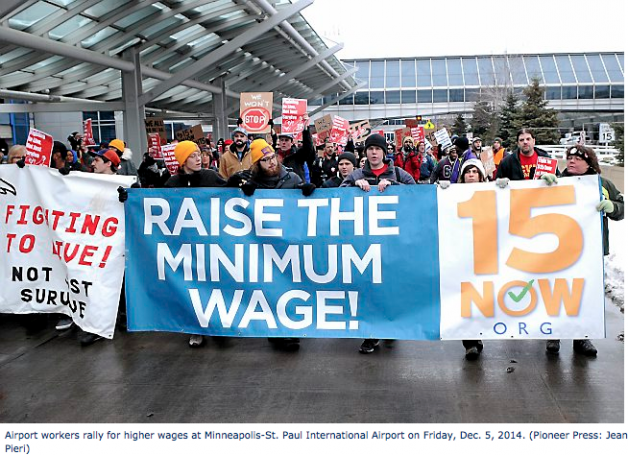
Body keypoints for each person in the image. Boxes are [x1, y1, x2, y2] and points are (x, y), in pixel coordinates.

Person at [228, 138, 315, 351]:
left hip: (288, 243)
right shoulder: (247, 178)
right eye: (265, 160)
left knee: (290, 286)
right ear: (257, 163)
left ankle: (291, 331)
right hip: (261, 245)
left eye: (272, 158)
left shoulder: (291, 177)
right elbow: (223, 186)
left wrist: (309, 190)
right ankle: (274, 330)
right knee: (268, 287)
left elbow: (306, 202)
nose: (271, 163)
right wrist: (240, 188)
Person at [540, 145, 623, 357]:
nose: (571, 161)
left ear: (589, 162)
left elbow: (620, 207)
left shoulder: (602, 184)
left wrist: (612, 207)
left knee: (586, 295)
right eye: (569, 158)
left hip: (591, 251)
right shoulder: (557, 182)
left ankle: (583, 338)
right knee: (558, 293)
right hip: (560, 250)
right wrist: (542, 186)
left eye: (577, 158)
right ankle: (554, 335)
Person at [340, 133, 415, 354]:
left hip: (392, 239)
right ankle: (371, 334)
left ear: (384, 152)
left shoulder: (399, 173)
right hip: (364, 240)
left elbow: (416, 193)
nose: (373, 153)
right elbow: (338, 196)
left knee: (389, 285)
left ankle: (389, 327)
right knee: (369, 286)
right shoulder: (355, 174)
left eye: (377, 149)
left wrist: (392, 185)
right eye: (370, 149)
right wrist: (354, 185)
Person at [165, 141, 227, 347]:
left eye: (199, 154)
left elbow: (231, 194)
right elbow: (156, 206)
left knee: (214, 286)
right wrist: (130, 197)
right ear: (182, 160)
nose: (198, 158)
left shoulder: (210, 176)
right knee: (192, 288)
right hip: (185, 245)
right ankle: (195, 328)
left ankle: (218, 327)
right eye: (192, 155)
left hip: (211, 244)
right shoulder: (172, 183)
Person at [438, 159, 488, 360]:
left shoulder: (494, 194)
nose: (471, 175)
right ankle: (470, 342)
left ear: (481, 176)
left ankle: (480, 335)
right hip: (462, 255)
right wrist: (441, 193)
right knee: (466, 298)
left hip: (486, 255)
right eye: (468, 171)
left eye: (475, 172)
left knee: (483, 299)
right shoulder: (453, 195)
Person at [273, 117, 315, 182]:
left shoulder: (298, 155)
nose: (284, 142)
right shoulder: (275, 156)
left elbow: (308, 148)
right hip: (280, 189)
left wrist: (305, 130)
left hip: (296, 188)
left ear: (292, 142)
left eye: (286, 140)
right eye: (282, 140)